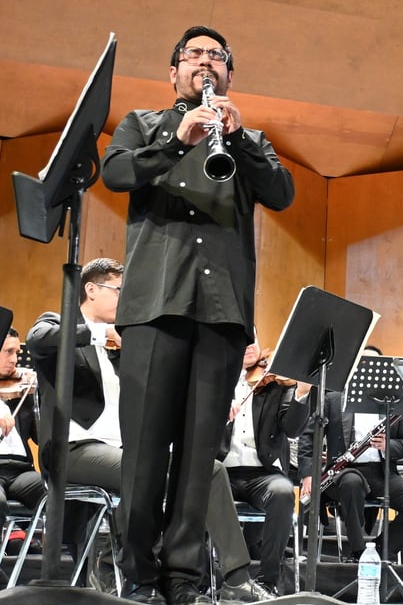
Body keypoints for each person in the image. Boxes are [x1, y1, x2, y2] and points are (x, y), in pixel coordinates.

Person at [100, 26, 294, 604]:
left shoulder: (250, 138)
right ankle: (138, 575)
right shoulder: (142, 123)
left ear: (230, 74)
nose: (205, 63)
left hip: (222, 315)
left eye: (216, 57)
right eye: (194, 56)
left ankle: (183, 580)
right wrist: (178, 140)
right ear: (174, 72)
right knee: (143, 454)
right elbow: (114, 174)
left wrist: (237, 141)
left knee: (197, 458)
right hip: (155, 308)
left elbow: (281, 193)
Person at [26, 258, 273, 603]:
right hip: (74, 449)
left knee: (209, 470)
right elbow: (37, 338)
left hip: (123, 447)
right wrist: (99, 333)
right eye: (118, 290)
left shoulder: (127, 342)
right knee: (142, 471)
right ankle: (139, 577)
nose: (126, 298)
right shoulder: (60, 324)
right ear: (91, 290)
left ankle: (236, 578)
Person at [219, 335, 312, 596]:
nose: (249, 344)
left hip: (263, 474)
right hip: (220, 471)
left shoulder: (274, 383)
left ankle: (267, 580)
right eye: (243, 338)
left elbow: (292, 428)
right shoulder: (215, 381)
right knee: (196, 490)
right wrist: (217, 415)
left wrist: (302, 393)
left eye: (253, 339)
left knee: (283, 493)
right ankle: (204, 577)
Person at [298, 390, 403, 562]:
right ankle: (358, 552)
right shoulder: (333, 400)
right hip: (342, 472)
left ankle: (380, 548)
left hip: (380, 473)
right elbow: (308, 438)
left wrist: (387, 445)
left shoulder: (391, 404)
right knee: (352, 482)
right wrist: (308, 474)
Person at [0, 328, 44, 533]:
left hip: (21, 471)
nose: (15, 359)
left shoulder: (21, 389)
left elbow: (41, 436)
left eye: (17, 353)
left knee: (58, 495)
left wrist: (43, 395)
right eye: (8, 352)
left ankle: (83, 563)